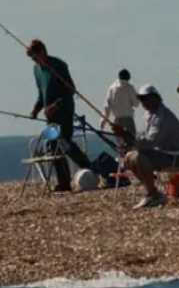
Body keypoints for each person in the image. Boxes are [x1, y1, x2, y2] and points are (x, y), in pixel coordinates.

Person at [27, 39, 93, 192]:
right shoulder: (36, 70)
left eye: (35, 57)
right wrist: (36, 110)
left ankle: (87, 166)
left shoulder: (58, 66)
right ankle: (64, 182)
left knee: (64, 142)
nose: (34, 60)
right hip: (50, 117)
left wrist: (55, 106)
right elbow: (41, 93)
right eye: (32, 58)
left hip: (64, 111)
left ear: (42, 52)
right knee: (53, 145)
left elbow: (70, 90)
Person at [122, 84, 179, 209]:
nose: (143, 102)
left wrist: (130, 138)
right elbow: (144, 139)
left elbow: (151, 142)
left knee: (139, 157)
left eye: (146, 98)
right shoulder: (149, 115)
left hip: (177, 157)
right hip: (164, 154)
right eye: (141, 99)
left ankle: (153, 194)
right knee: (129, 157)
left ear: (156, 98)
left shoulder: (162, 116)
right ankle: (152, 192)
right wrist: (130, 142)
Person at [101, 68, 139, 144]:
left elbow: (107, 107)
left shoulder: (111, 88)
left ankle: (122, 155)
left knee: (120, 145)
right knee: (131, 143)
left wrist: (103, 121)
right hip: (128, 120)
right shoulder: (129, 87)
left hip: (116, 121)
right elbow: (136, 104)